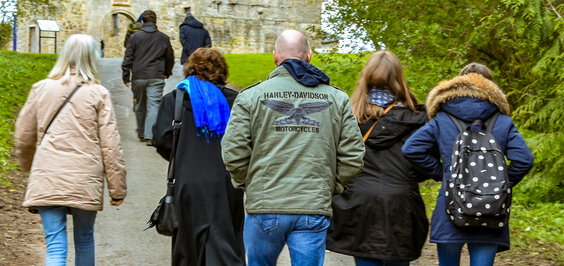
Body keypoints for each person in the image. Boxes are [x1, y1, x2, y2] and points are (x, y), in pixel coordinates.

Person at [222, 29, 366, 266]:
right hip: (312, 206)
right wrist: (329, 185)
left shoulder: (250, 97)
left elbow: (233, 152)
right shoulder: (336, 99)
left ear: (274, 56)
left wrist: (250, 184)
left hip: (265, 204)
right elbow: (353, 156)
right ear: (309, 55)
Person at [402, 63, 534, 266]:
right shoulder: (503, 121)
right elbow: (524, 159)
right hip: (492, 208)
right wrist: (501, 185)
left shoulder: (442, 118)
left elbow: (412, 149)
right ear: (491, 87)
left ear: (457, 84)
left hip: (451, 205)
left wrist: (444, 174)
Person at [15, 34, 126, 266]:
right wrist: (117, 188)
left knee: (55, 246)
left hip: (48, 174)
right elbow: (110, 144)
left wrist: (30, 167)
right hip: (84, 178)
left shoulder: (41, 88)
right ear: (92, 58)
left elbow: (24, 135)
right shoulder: (99, 93)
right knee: (85, 239)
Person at [327, 51, 429, 266]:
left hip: (357, 201)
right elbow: (424, 164)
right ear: (399, 78)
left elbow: (334, 161)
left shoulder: (346, 117)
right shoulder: (418, 119)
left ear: (366, 76)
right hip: (401, 202)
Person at [152, 48, 245, 266]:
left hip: (188, 181)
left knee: (187, 248)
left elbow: (162, 139)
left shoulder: (174, 100)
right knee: (227, 244)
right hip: (226, 182)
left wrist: (183, 155)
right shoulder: (235, 101)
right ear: (222, 71)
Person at [122, 9, 174, 146]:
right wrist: (167, 72)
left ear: (142, 22)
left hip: (138, 76)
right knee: (154, 105)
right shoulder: (163, 38)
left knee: (139, 104)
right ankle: (150, 135)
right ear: (155, 22)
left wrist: (126, 77)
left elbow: (128, 58)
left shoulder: (135, 37)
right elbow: (170, 57)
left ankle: (141, 131)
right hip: (156, 75)